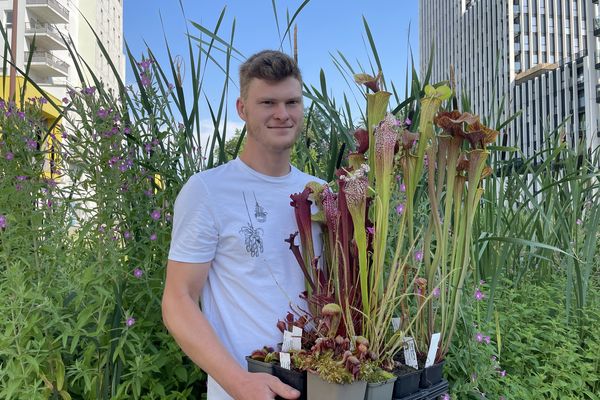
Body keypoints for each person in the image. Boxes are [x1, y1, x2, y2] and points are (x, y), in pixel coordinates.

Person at [162, 50, 322, 400]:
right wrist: (239, 382)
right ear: (242, 108)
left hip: (321, 385)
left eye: (292, 102)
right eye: (268, 102)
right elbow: (178, 300)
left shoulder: (320, 194)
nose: (282, 114)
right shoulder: (208, 191)